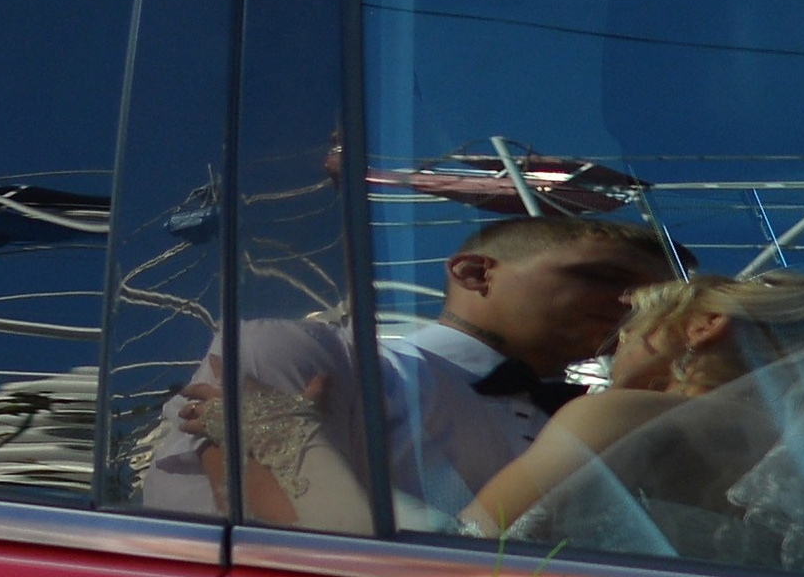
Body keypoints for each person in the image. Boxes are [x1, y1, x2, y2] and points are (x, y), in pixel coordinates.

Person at [469, 266, 804, 577]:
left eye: (633, 329)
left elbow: (472, 548)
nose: (617, 348)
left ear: (704, 326)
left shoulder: (620, 416)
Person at [143, 215, 685, 527]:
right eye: (608, 278)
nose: (637, 305)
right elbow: (271, 555)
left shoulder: (622, 424)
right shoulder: (302, 353)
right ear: (475, 274)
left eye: (661, 298)